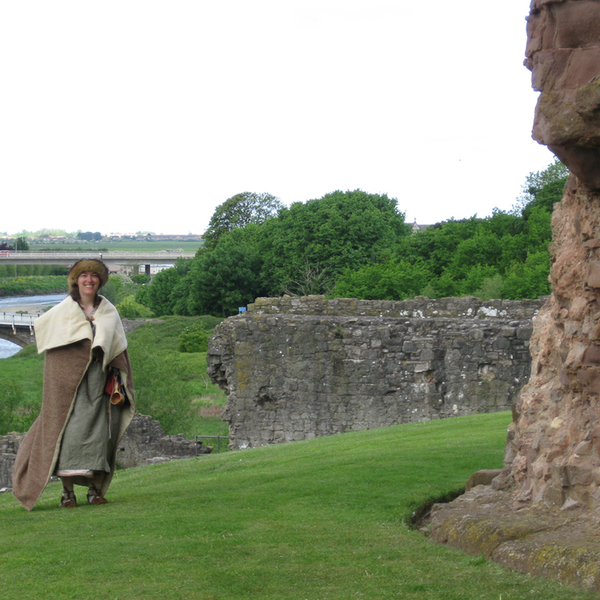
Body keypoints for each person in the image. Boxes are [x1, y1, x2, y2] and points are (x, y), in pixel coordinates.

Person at [12, 258, 136, 510]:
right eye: (83, 275)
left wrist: (118, 377)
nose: (89, 280)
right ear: (76, 281)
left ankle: (93, 490)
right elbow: (56, 359)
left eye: (94, 276)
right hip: (68, 390)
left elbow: (118, 350)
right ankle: (67, 494)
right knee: (66, 436)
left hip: (99, 385)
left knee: (98, 436)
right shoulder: (61, 313)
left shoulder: (109, 312)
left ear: (99, 281)